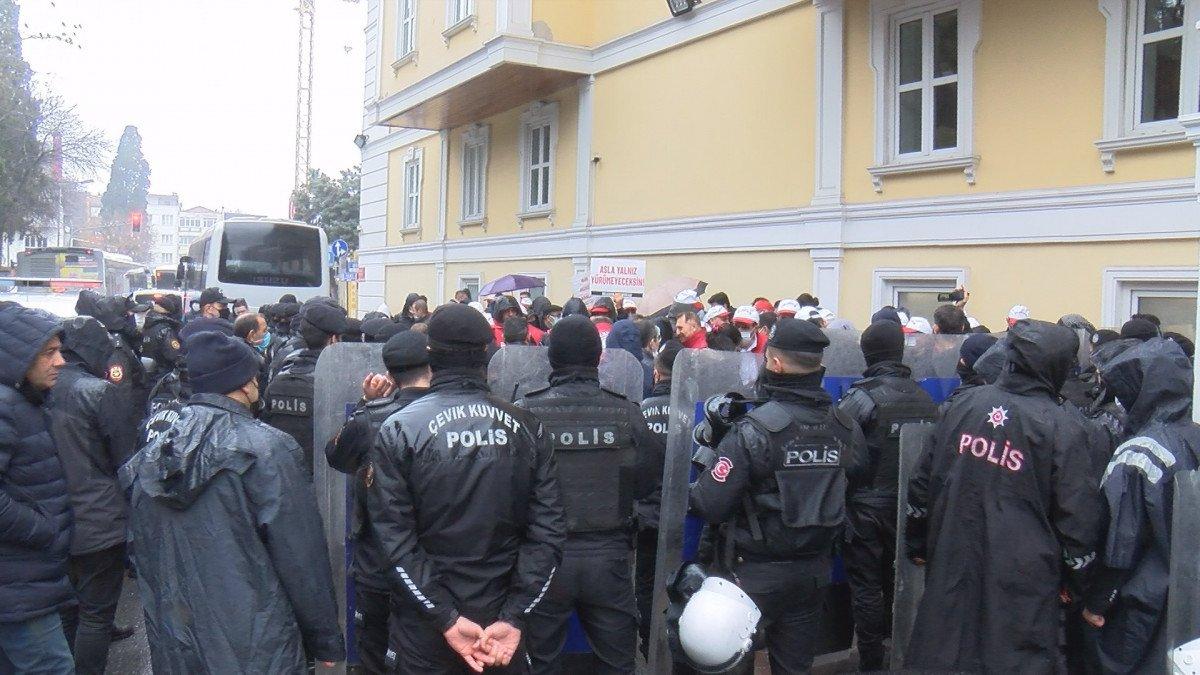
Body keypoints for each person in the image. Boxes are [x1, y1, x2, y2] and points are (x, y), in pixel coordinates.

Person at [123, 331, 345, 672]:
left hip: (178, 638)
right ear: (245, 384)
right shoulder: (268, 449)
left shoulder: (153, 453)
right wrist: (325, 638)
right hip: (258, 642)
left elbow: (141, 550)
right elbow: (300, 555)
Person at [368, 304, 566, 673]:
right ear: (486, 356)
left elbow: (394, 541)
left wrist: (443, 614)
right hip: (496, 627)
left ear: (431, 357)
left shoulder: (399, 428)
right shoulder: (526, 426)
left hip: (426, 627)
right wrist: (514, 615)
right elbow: (548, 533)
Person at [903, 320, 1102, 672]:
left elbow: (922, 485)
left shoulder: (963, 405)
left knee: (945, 650)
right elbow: (1078, 518)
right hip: (1022, 583)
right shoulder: (1063, 427)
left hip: (956, 558)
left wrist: (918, 542)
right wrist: (1078, 581)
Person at [689, 318, 867, 673]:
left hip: (750, 574)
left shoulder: (755, 430)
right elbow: (857, 480)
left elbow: (710, 503)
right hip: (813, 571)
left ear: (775, 363)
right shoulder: (845, 426)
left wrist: (709, 458)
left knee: (730, 662)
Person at [517, 316, 665, 674]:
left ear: (550, 358)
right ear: (599, 358)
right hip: (609, 557)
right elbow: (649, 481)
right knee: (617, 663)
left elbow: (509, 487)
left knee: (540, 663)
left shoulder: (525, 412)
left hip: (544, 558)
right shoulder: (626, 412)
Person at [1082, 338, 1200, 672]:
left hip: (1144, 601)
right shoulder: (1194, 435)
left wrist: (1097, 601)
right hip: (1188, 590)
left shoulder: (1140, 451)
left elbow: (1120, 542)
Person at [326, 331, 432, 674]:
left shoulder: (370, 418)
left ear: (389, 374)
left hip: (378, 565)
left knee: (374, 655)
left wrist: (364, 406)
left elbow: (338, 456)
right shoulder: (453, 415)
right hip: (435, 566)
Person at [834, 320, 937, 671]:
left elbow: (839, 452)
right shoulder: (923, 397)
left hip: (864, 508)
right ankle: (898, 652)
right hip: (908, 505)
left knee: (867, 588)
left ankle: (872, 663)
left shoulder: (861, 398)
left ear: (867, 353)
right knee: (898, 584)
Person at [47, 317, 139, 675]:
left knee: (67, 611)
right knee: (97, 615)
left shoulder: (35, 387)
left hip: (52, 517)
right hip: (99, 521)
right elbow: (125, 457)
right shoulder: (98, 392)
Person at [0, 305, 74, 675]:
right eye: (48, 353)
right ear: (17, 358)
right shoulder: (5, 405)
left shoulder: (25, 402)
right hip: (17, 585)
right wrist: (44, 529)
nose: (60, 361)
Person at [262, 301, 348, 475]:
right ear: (333, 340)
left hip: (281, 475)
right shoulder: (337, 382)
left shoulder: (282, 372)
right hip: (325, 478)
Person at [635, 340, 681, 657]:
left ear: (656, 373)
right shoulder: (693, 411)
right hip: (685, 512)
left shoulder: (641, 410)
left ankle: (648, 639)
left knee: (647, 580)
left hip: (648, 512)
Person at [140, 293, 185, 376]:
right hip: (162, 377)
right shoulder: (165, 330)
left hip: (145, 375)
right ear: (168, 312)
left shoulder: (144, 326)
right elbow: (175, 356)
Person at [233, 312, 271, 391]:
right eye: (264, 331)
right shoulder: (250, 358)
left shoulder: (231, 348)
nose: (267, 333)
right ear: (252, 335)